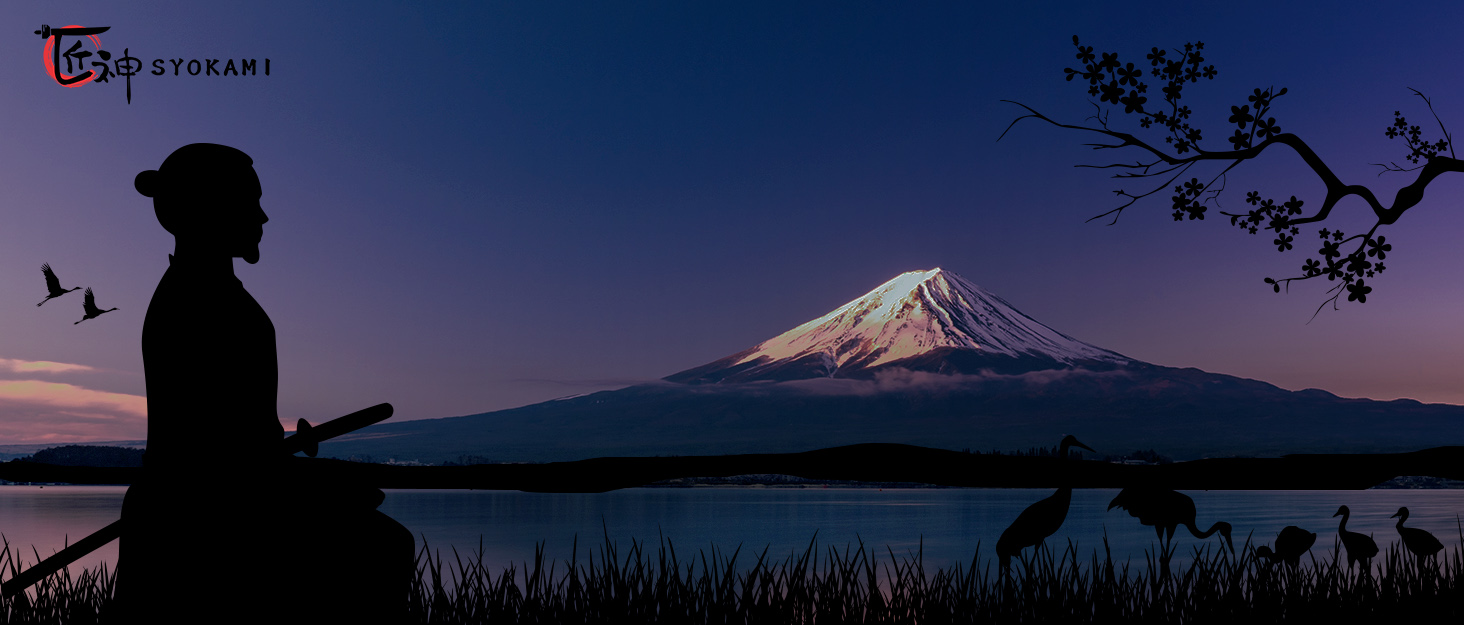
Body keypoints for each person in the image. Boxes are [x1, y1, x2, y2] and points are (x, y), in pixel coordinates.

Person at [115, 143, 413, 623]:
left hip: (217, 493)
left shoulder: (206, 293)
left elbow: (238, 442)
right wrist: (313, 482)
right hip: (204, 508)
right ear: (212, 207)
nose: (263, 216)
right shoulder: (195, 301)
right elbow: (211, 456)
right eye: (250, 202)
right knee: (387, 546)